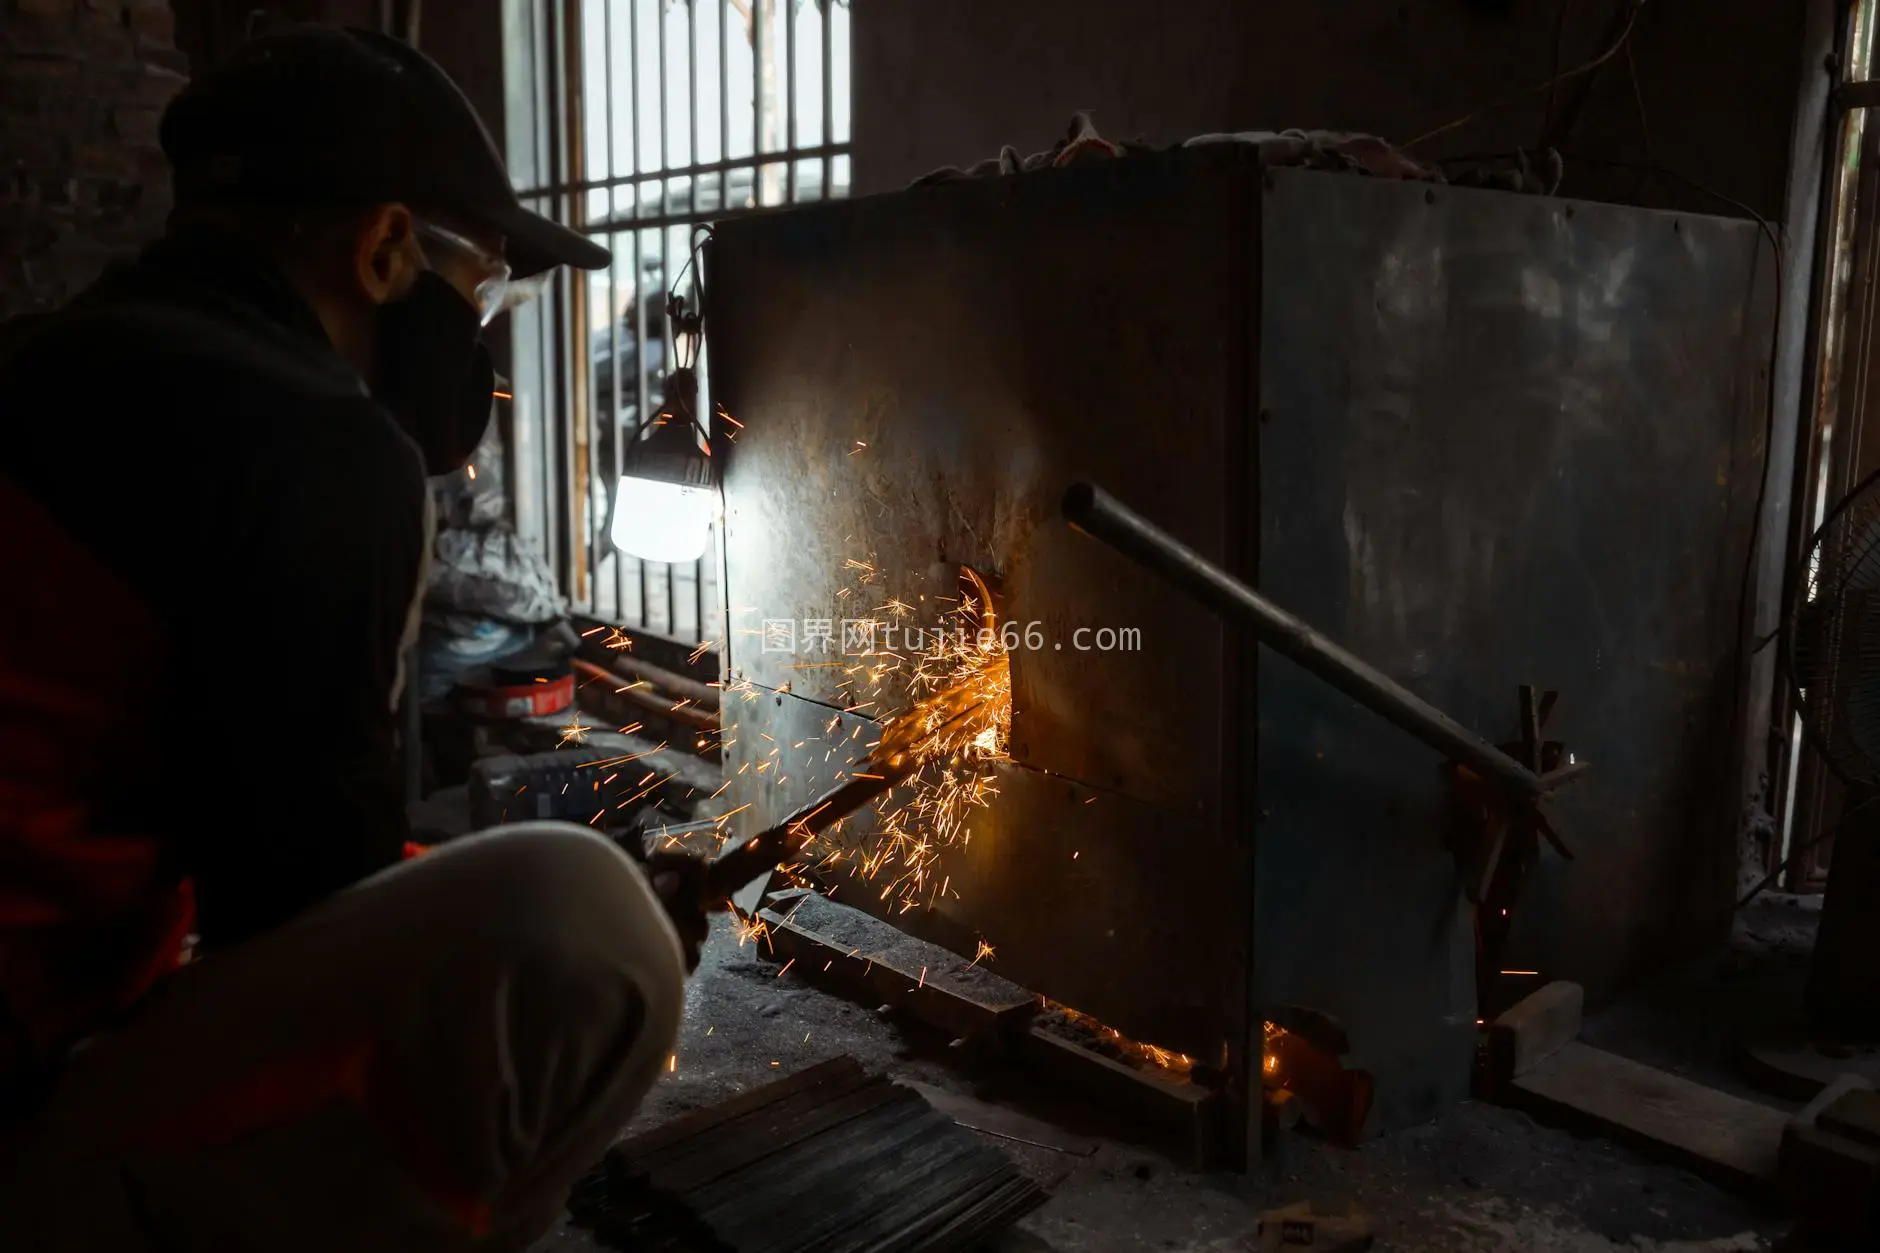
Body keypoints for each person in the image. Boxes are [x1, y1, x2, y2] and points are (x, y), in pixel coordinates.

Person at [0, 25, 707, 1252]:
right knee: (587, 923)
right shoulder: (310, 437)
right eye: (477, 292)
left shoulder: (42, 362)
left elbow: (255, 840)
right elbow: (290, 906)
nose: (476, 346)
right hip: (17, 1119)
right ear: (384, 249)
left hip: (49, 1011)